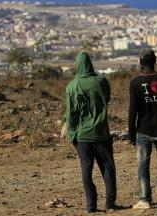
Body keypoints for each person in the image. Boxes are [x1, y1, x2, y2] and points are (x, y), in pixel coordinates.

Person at [66, 51, 116, 213]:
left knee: (86, 170)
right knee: (107, 168)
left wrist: (72, 135)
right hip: (101, 133)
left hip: (82, 136)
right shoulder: (102, 81)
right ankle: (110, 203)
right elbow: (106, 100)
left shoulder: (72, 86)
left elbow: (71, 114)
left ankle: (91, 206)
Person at [128, 48, 157, 209]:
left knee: (143, 164)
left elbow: (132, 111)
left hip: (143, 129)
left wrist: (131, 134)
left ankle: (145, 199)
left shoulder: (135, 83)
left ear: (140, 63)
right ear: (154, 61)